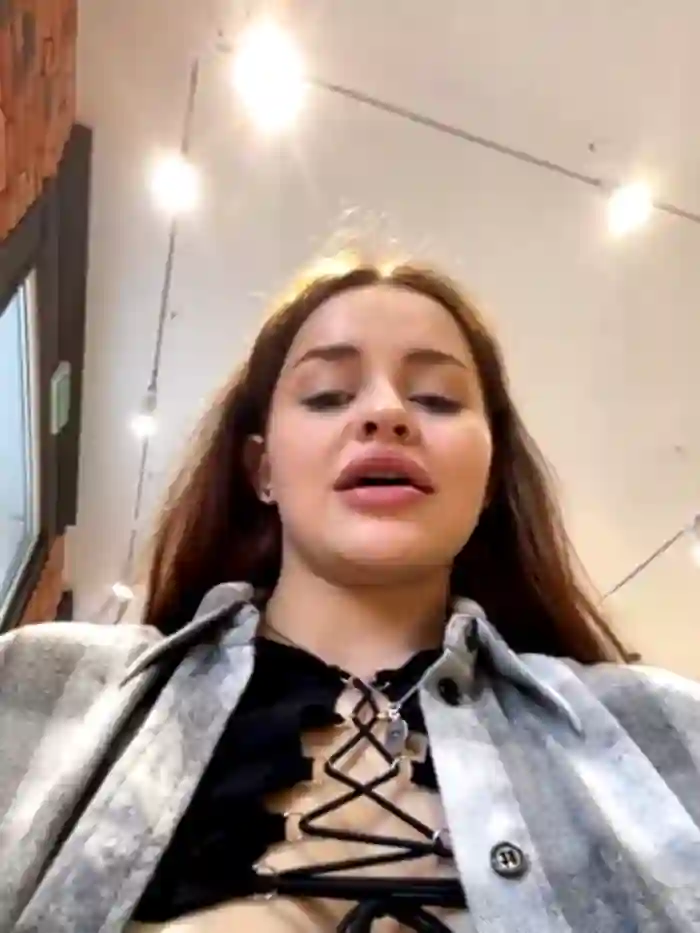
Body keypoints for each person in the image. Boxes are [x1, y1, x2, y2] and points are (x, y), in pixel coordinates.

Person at [1, 256, 699, 933]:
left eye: (437, 399)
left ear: (490, 478)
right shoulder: (37, 688)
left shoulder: (662, 730)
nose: (386, 413)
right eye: (328, 395)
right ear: (262, 469)